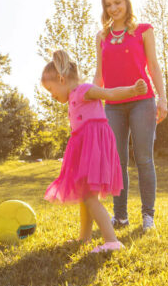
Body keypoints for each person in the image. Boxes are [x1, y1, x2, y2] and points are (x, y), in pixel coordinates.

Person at [42, 50, 148, 252]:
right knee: (85, 195)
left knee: (90, 197)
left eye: (51, 89)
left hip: (94, 150)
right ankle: (84, 238)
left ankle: (111, 241)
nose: (52, 95)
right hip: (83, 149)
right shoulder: (73, 96)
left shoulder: (84, 90)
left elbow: (109, 93)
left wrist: (133, 90)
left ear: (62, 79)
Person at [93, 0, 167, 231]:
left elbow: (154, 67)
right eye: (108, 5)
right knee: (117, 161)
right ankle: (121, 216)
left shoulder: (144, 31)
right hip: (113, 106)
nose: (113, 8)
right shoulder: (101, 37)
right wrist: (92, 103)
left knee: (144, 158)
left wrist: (162, 98)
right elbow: (99, 75)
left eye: (117, 3)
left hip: (142, 103)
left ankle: (148, 216)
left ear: (126, 2)